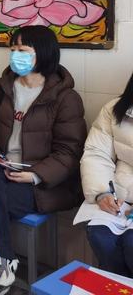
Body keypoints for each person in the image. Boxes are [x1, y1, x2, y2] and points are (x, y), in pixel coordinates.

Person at [0, 25, 87, 295]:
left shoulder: (65, 97)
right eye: (13, 49)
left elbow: (70, 151)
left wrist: (35, 175)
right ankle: (3, 258)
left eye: (23, 50)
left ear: (44, 53)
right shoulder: (2, 87)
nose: (15, 55)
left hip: (43, 183)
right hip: (0, 168)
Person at [80, 71, 133, 276]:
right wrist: (102, 193)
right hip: (120, 200)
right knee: (100, 236)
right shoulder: (114, 110)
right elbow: (96, 153)